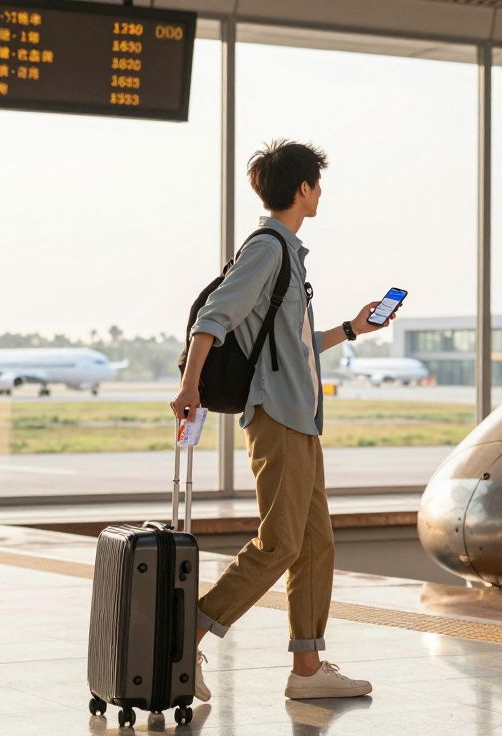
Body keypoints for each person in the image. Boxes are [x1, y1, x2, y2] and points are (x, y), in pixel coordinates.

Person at [171, 139, 392, 700]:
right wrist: (190, 386)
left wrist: (351, 329)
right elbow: (214, 317)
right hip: (277, 417)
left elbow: (293, 346)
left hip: (302, 418)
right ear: (302, 189)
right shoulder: (269, 249)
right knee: (280, 543)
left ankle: (308, 669)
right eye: (317, 184)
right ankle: (188, 631)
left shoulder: (290, 254)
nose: (320, 193)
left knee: (316, 545)